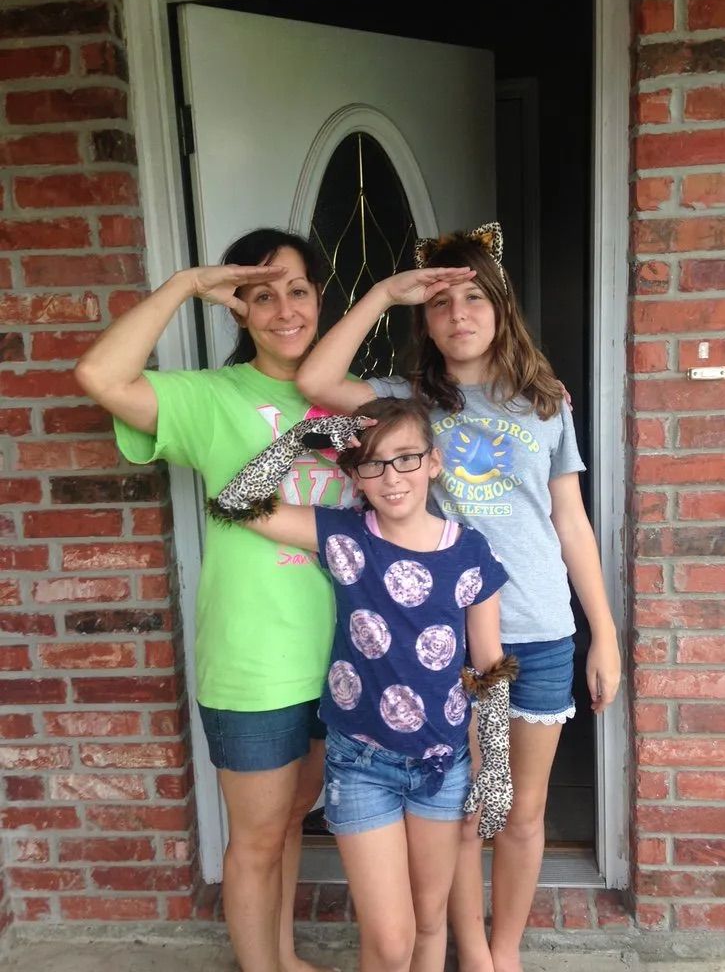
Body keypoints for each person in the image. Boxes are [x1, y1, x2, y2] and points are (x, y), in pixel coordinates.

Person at [73, 228, 471, 972]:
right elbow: (99, 373)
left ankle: (282, 959)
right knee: (257, 838)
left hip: (349, 665)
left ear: (320, 299)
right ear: (239, 308)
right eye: (262, 295)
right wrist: (186, 284)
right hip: (255, 661)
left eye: (298, 290)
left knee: (292, 819)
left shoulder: (356, 404)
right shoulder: (210, 397)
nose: (285, 310)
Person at [293, 222, 622, 972]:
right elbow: (315, 381)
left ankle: (503, 951)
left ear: (502, 307)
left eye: (475, 297)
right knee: (466, 809)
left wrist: (602, 633)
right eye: (440, 303)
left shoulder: (545, 402)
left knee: (521, 811)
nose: (459, 314)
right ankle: (470, 949)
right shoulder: (408, 401)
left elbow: (571, 521)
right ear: (425, 320)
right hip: (443, 641)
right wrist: (385, 291)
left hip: (538, 633)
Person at [214, 395, 512, 972]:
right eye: (373, 463)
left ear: (434, 462)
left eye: (406, 458)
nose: (391, 477)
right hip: (361, 763)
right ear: (354, 475)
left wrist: (496, 767)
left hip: (441, 765)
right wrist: (306, 437)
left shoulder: (471, 550)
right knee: (392, 938)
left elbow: (489, 668)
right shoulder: (342, 534)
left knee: (430, 922)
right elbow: (236, 502)